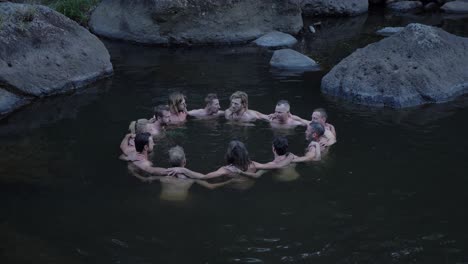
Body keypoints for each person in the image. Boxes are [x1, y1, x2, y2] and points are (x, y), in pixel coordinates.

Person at [129, 146, 233, 201]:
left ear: (170, 162)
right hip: (181, 201)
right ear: (184, 162)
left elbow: (145, 179)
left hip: (163, 199)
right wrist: (228, 181)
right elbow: (211, 186)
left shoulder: (163, 175)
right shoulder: (190, 179)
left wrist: (133, 172)